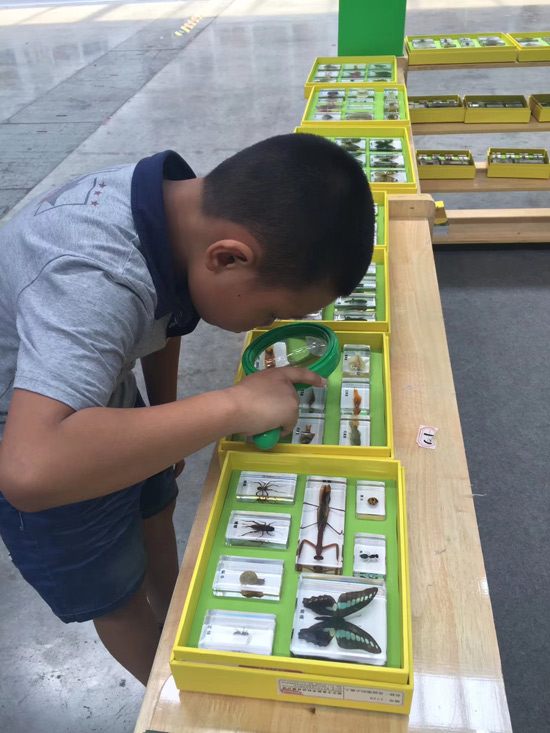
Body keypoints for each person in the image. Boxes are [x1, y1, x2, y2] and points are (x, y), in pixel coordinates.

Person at [0, 133, 374, 684]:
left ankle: (174, 615)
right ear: (227, 256)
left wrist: (167, 412)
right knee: (116, 595)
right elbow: (30, 471)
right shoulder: (96, 280)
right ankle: (171, 689)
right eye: (271, 312)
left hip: (92, 392)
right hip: (30, 426)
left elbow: (164, 312)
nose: (265, 325)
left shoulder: (174, 208)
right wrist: (231, 405)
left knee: (155, 509)